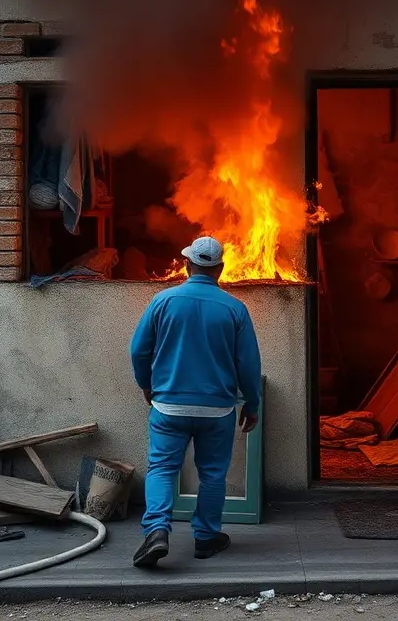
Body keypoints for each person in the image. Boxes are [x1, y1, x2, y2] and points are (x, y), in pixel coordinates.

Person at [128, 235, 262, 568]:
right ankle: (205, 538)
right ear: (220, 268)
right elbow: (248, 364)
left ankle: (157, 531)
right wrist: (253, 403)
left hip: (168, 406)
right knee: (213, 475)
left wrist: (147, 384)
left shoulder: (163, 301)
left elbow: (138, 350)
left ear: (188, 265)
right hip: (217, 410)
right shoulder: (235, 308)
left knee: (161, 469)